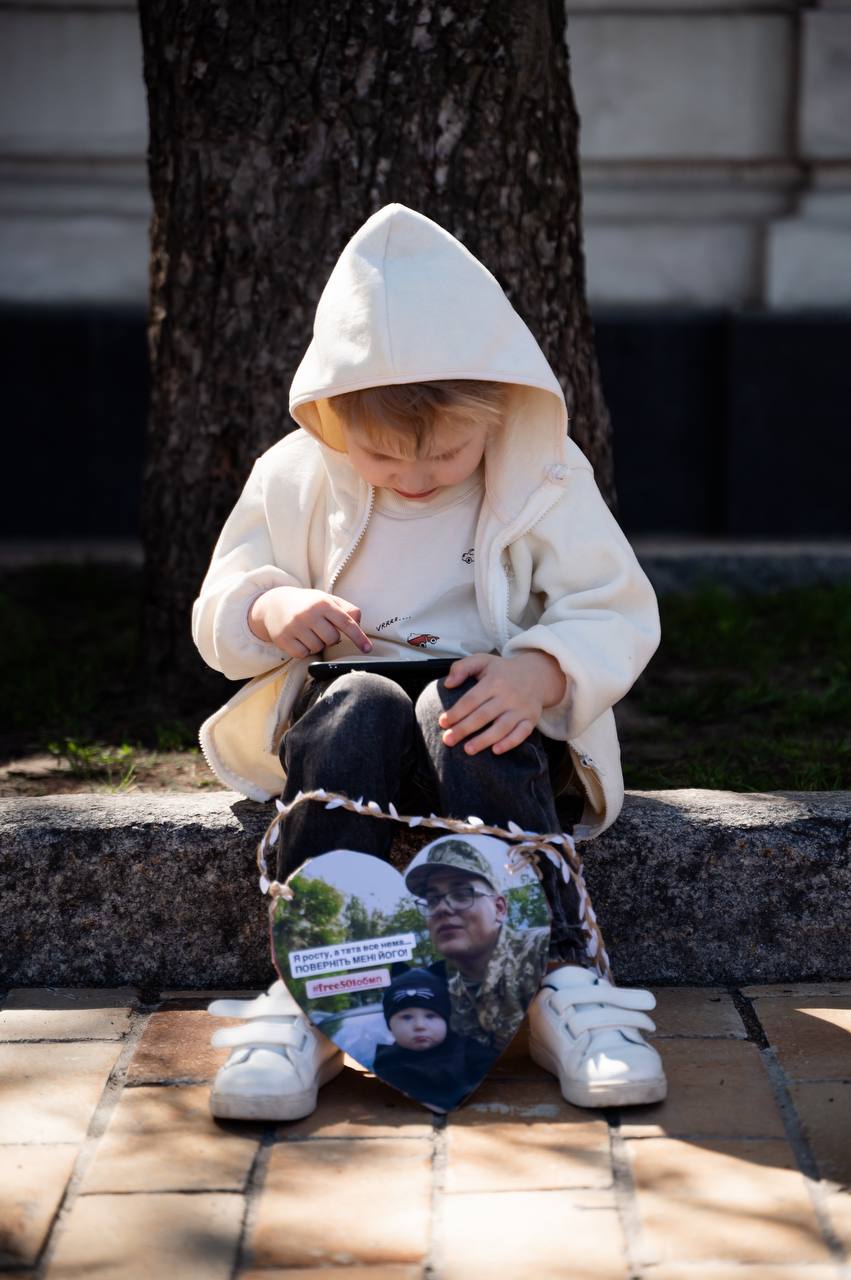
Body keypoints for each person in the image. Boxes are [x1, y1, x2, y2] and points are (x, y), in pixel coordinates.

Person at [196, 202, 667, 1121]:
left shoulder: (544, 478)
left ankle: (557, 978)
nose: (414, 477)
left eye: (446, 452)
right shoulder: (293, 474)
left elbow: (612, 603)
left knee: (460, 712)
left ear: (497, 409)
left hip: (486, 710)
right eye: (380, 455)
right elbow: (226, 597)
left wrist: (544, 669)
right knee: (362, 705)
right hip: (350, 717)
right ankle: (317, 987)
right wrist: (270, 603)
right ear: (332, 421)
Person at [406, 839, 549, 1055]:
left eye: (463, 894)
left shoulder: (540, 952)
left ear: (499, 908)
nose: (442, 908)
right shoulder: (442, 996)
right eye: (433, 899)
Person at [372, 967, 495, 1112]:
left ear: (447, 1020)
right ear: (390, 1025)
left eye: (430, 1016)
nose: (419, 1025)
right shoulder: (387, 1062)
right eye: (406, 1017)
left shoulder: (467, 1050)